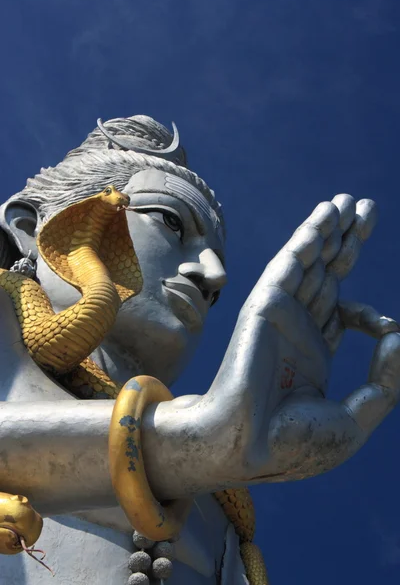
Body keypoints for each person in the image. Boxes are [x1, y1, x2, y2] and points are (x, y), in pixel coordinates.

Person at [0, 115, 399, 584]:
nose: (213, 276)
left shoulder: (217, 493)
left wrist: (231, 440)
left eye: (218, 289)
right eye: (170, 222)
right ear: (31, 228)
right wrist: (189, 440)